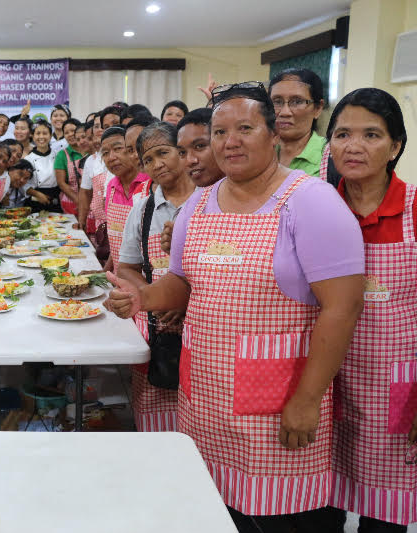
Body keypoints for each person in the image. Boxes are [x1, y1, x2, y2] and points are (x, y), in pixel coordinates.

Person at [106, 82, 365, 531]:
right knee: (216, 511)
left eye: (244, 128)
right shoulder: (200, 203)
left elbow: (341, 310)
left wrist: (307, 400)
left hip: (278, 402)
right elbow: (183, 283)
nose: (230, 141)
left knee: (285, 517)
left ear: (273, 134)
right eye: (220, 131)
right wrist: (143, 297)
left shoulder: (310, 202)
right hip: (204, 397)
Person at [325, 88, 415, 532]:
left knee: (386, 518)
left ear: (396, 146)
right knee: (320, 506)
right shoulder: (316, 207)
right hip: (325, 382)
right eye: (342, 134)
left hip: (395, 389)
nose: (353, 146)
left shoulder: (415, 208)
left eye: (372, 135)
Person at [118, 121, 195, 433]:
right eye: (148, 159)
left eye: (163, 153)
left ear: (182, 152)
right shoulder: (143, 210)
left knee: (200, 409)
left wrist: (182, 299)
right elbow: (127, 268)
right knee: (154, 410)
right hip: (158, 327)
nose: (156, 164)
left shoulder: (211, 201)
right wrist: (155, 297)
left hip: (202, 326)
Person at [158, 108, 225, 255]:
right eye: (182, 152)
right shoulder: (192, 207)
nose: (190, 160)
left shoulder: (257, 200)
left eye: (200, 146)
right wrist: (180, 249)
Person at [102, 125, 151, 272]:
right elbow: (116, 241)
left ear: (133, 151)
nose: (111, 157)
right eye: (105, 153)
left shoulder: (149, 185)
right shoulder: (111, 187)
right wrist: (104, 272)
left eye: (118, 149)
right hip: (120, 278)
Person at [269, 68, 327, 177]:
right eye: (277, 102)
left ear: (317, 108)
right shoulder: (260, 152)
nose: (285, 112)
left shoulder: (331, 157)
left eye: (297, 101)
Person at [78, 108, 121, 233]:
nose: (101, 129)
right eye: (97, 126)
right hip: (100, 224)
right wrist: (81, 220)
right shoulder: (91, 160)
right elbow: (85, 192)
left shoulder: (124, 156)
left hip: (118, 222)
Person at [24, 119, 61, 213]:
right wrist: (37, 194)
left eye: (45, 133)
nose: (41, 137)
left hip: (55, 199)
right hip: (34, 200)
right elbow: (23, 184)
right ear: (32, 135)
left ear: (50, 135)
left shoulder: (58, 156)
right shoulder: (28, 159)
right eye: (38, 133)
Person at [55, 118, 85, 215]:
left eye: (73, 130)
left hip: (93, 199)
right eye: (66, 132)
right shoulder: (61, 155)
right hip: (71, 201)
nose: (70, 134)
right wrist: (78, 200)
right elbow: (61, 183)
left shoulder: (89, 150)